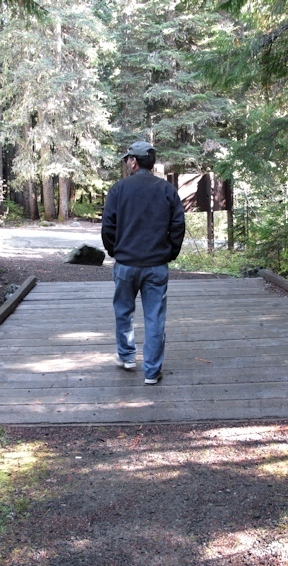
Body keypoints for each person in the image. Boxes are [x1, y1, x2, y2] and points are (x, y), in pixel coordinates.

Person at [101, 141, 185, 385]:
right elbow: (178, 225)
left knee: (123, 312)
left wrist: (115, 250)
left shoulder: (119, 190)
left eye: (128, 159)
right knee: (154, 317)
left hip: (126, 265)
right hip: (156, 266)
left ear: (134, 162)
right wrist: (170, 253)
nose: (127, 163)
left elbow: (108, 227)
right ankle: (151, 372)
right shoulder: (167, 190)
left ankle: (127, 357)